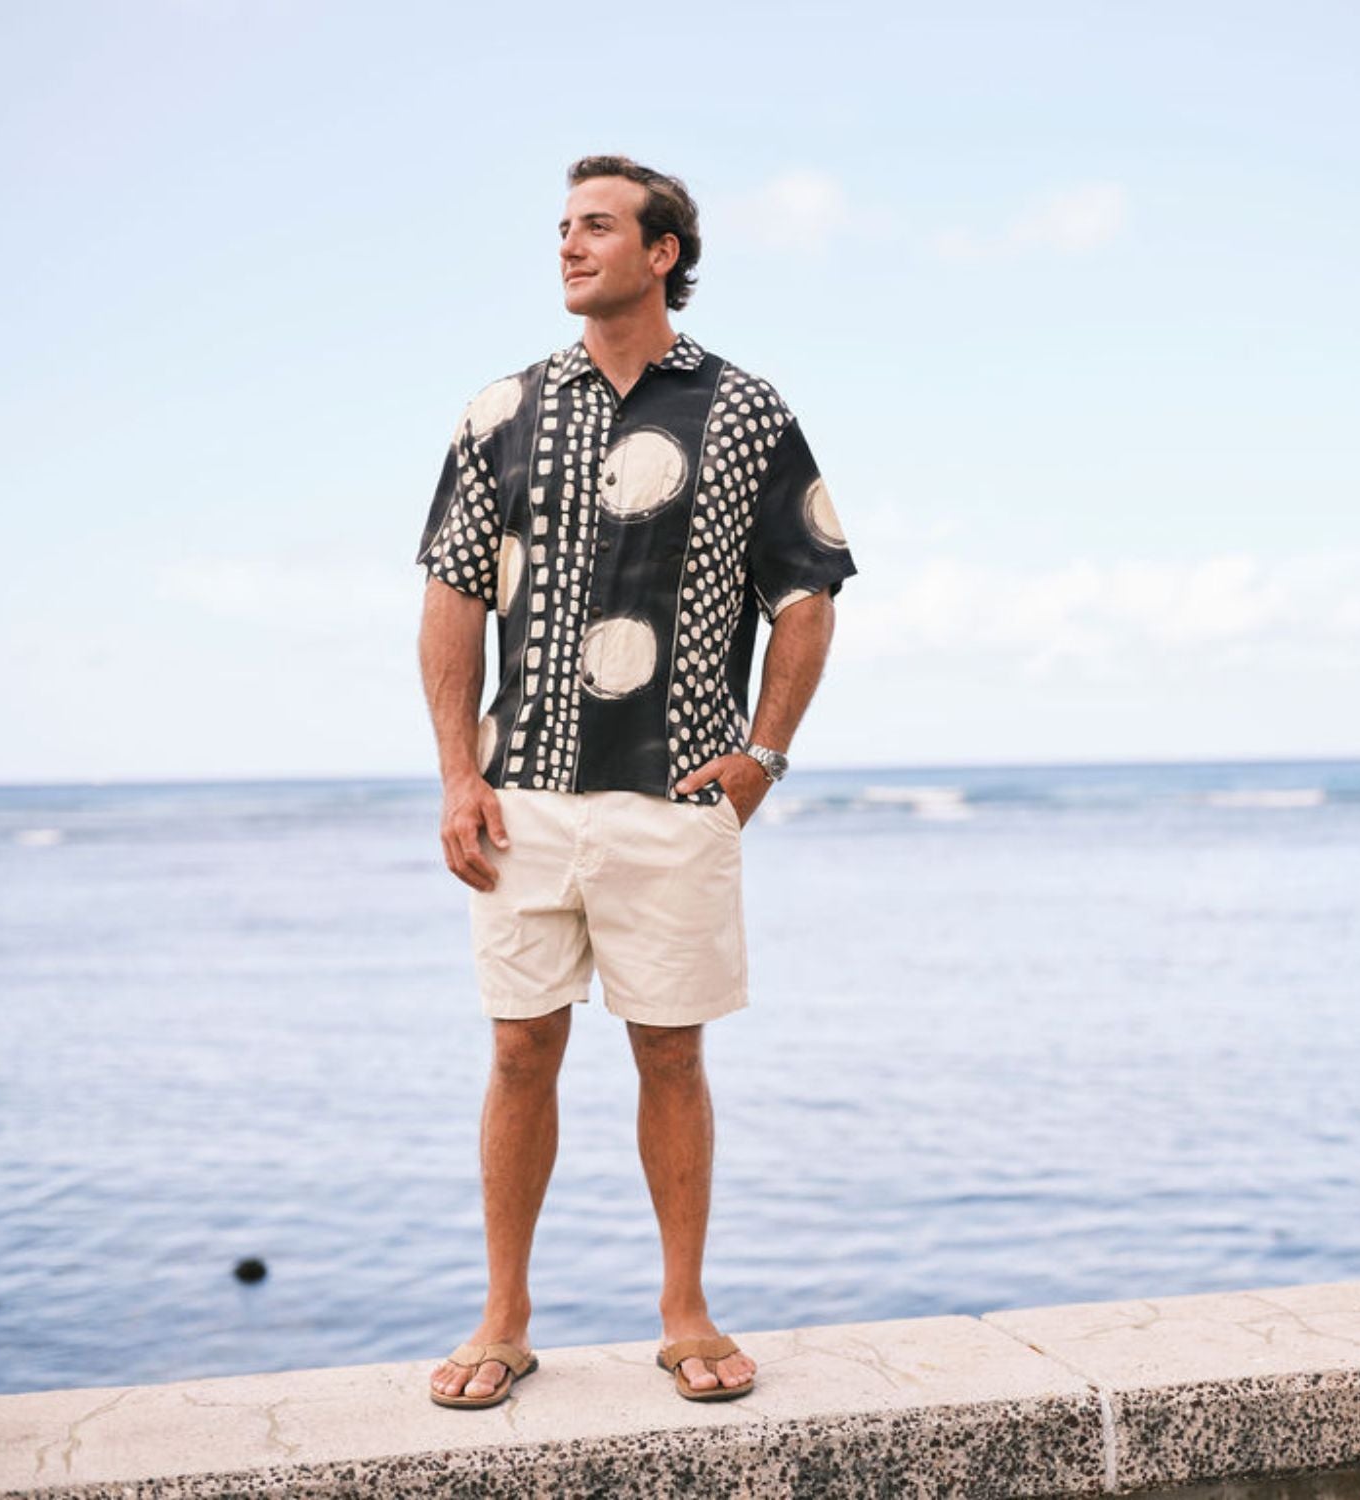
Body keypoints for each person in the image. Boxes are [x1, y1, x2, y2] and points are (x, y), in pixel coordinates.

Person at [417, 154, 856, 1409]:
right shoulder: (499, 410)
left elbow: (809, 595)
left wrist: (762, 758)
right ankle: (503, 1318)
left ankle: (686, 1311)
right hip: (523, 800)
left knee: (671, 1056)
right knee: (518, 1052)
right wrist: (458, 775)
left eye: (597, 227)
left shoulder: (749, 411)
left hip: (675, 799)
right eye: (563, 227)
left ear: (663, 252)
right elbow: (448, 602)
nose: (569, 245)